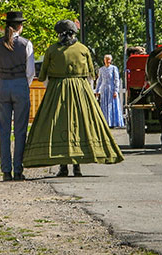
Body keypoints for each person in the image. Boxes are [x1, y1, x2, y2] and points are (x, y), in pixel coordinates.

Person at [23, 20, 124, 177]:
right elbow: (91, 75)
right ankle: (77, 166)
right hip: (80, 90)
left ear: (59, 34)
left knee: (58, 126)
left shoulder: (52, 50)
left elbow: (42, 76)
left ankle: (63, 167)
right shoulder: (83, 49)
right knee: (81, 125)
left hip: (57, 91)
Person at [0, 11, 35, 182]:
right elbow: (30, 72)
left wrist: (3, 84)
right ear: (20, 27)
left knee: (4, 131)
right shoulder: (26, 44)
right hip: (20, 84)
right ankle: (18, 169)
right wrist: (22, 84)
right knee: (20, 130)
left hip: (4, 86)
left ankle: (6, 170)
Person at [95, 54, 124, 128]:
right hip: (104, 89)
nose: (107, 61)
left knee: (112, 105)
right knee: (104, 105)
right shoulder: (101, 69)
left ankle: (113, 122)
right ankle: (105, 122)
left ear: (110, 60)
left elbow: (116, 80)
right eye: (106, 59)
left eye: (108, 59)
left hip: (111, 89)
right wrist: (97, 90)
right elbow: (100, 80)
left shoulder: (114, 68)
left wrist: (116, 90)